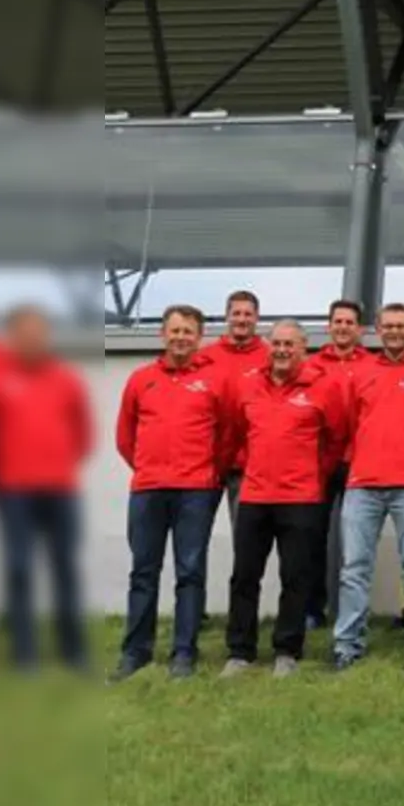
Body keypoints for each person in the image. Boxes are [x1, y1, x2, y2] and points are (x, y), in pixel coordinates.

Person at [111, 304, 233, 682]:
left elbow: (228, 435)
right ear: (163, 334)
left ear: (199, 338)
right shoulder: (140, 379)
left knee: (190, 573)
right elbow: (125, 436)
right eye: (175, 330)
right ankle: (136, 653)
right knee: (143, 573)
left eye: (188, 332)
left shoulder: (215, 381)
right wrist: (148, 468)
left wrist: (208, 472)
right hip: (148, 490)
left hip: (195, 491)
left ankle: (184, 653)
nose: (181, 338)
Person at [219, 320, 347, 680]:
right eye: (276, 342)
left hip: (301, 498)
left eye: (290, 344)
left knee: (296, 577)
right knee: (244, 576)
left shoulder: (323, 386)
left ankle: (287, 650)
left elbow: (335, 439)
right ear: (268, 346)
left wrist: (312, 474)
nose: (282, 350)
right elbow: (235, 433)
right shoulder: (248, 386)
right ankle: (240, 652)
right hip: (255, 496)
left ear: (303, 348)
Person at [333, 303, 404, 675]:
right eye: (388, 326)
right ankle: (347, 645)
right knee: (353, 568)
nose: (395, 332)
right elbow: (347, 426)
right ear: (377, 330)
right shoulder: (360, 372)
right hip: (363, 485)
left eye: (402, 326)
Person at [0, 306, 93, 671]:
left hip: (60, 490)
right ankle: (25, 654)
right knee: (18, 569)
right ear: (12, 337)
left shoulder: (66, 379)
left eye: (39, 331)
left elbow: (82, 433)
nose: (33, 338)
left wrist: (59, 465)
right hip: (13, 491)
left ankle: (73, 652)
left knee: (64, 567)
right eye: (25, 332)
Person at [304, 298, 373, 628]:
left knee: (355, 541)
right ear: (329, 326)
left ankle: (351, 610)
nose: (343, 327)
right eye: (338, 321)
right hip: (319, 462)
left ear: (359, 329)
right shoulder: (311, 366)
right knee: (312, 536)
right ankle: (312, 609)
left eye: (349, 322)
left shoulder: (372, 366)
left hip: (360, 461)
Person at [199, 290, 268, 527]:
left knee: (246, 539)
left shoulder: (269, 357)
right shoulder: (204, 357)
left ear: (257, 318)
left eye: (248, 314)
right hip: (206, 463)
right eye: (236, 313)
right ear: (227, 316)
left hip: (249, 466)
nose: (242, 319)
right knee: (193, 538)